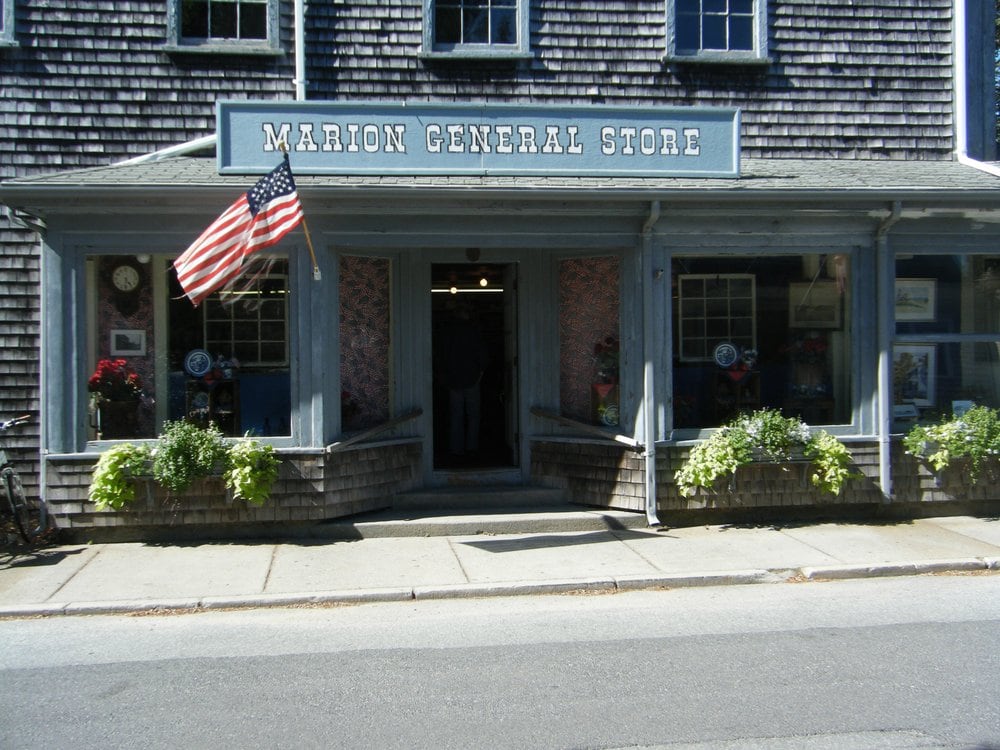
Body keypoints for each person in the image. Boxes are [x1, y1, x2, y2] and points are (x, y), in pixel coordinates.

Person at [439, 301, 489, 461]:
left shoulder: (448, 333)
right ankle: (471, 447)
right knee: (473, 415)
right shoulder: (474, 331)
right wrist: (480, 373)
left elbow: (442, 356)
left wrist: (445, 376)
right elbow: (482, 355)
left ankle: (456, 449)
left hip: (453, 379)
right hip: (472, 378)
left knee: (456, 415)